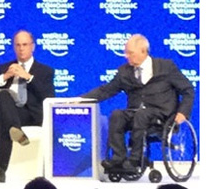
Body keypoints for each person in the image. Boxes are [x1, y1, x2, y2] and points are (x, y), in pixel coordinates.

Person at [81, 34, 194, 173]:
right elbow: (106, 90)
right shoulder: (124, 72)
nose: (126, 56)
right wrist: (81, 100)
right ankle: (118, 158)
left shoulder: (166, 67)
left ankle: (135, 160)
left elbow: (188, 90)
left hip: (162, 114)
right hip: (135, 112)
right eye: (126, 53)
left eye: (130, 53)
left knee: (142, 115)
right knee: (117, 115)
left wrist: (183, 112)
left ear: (143, 51)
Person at [0, 29, 55, 183]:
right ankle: (15, 130)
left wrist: (28, 77)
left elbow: (48, 96)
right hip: (1, 111)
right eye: (18, 45)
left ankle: (1, 170)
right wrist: (5, 77)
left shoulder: (45, 71)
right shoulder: (4, 68)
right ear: (14, 47)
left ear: (33, 46)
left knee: (5, 121)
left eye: (25, 45)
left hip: (27, 115)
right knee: (4, 96)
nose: (21, 48)